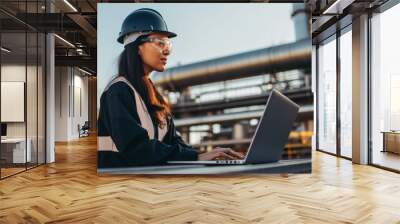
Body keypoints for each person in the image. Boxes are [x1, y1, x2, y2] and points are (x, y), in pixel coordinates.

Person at [97, 8, 243, 168]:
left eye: (168, 45)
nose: (167, 51)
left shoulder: (155, 97)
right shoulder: (118, 91)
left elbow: (174, 143)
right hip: (118, 183)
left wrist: (209, 155)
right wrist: (197, 157)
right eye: (160, 43)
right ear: (137, 46)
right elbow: (136, 149)